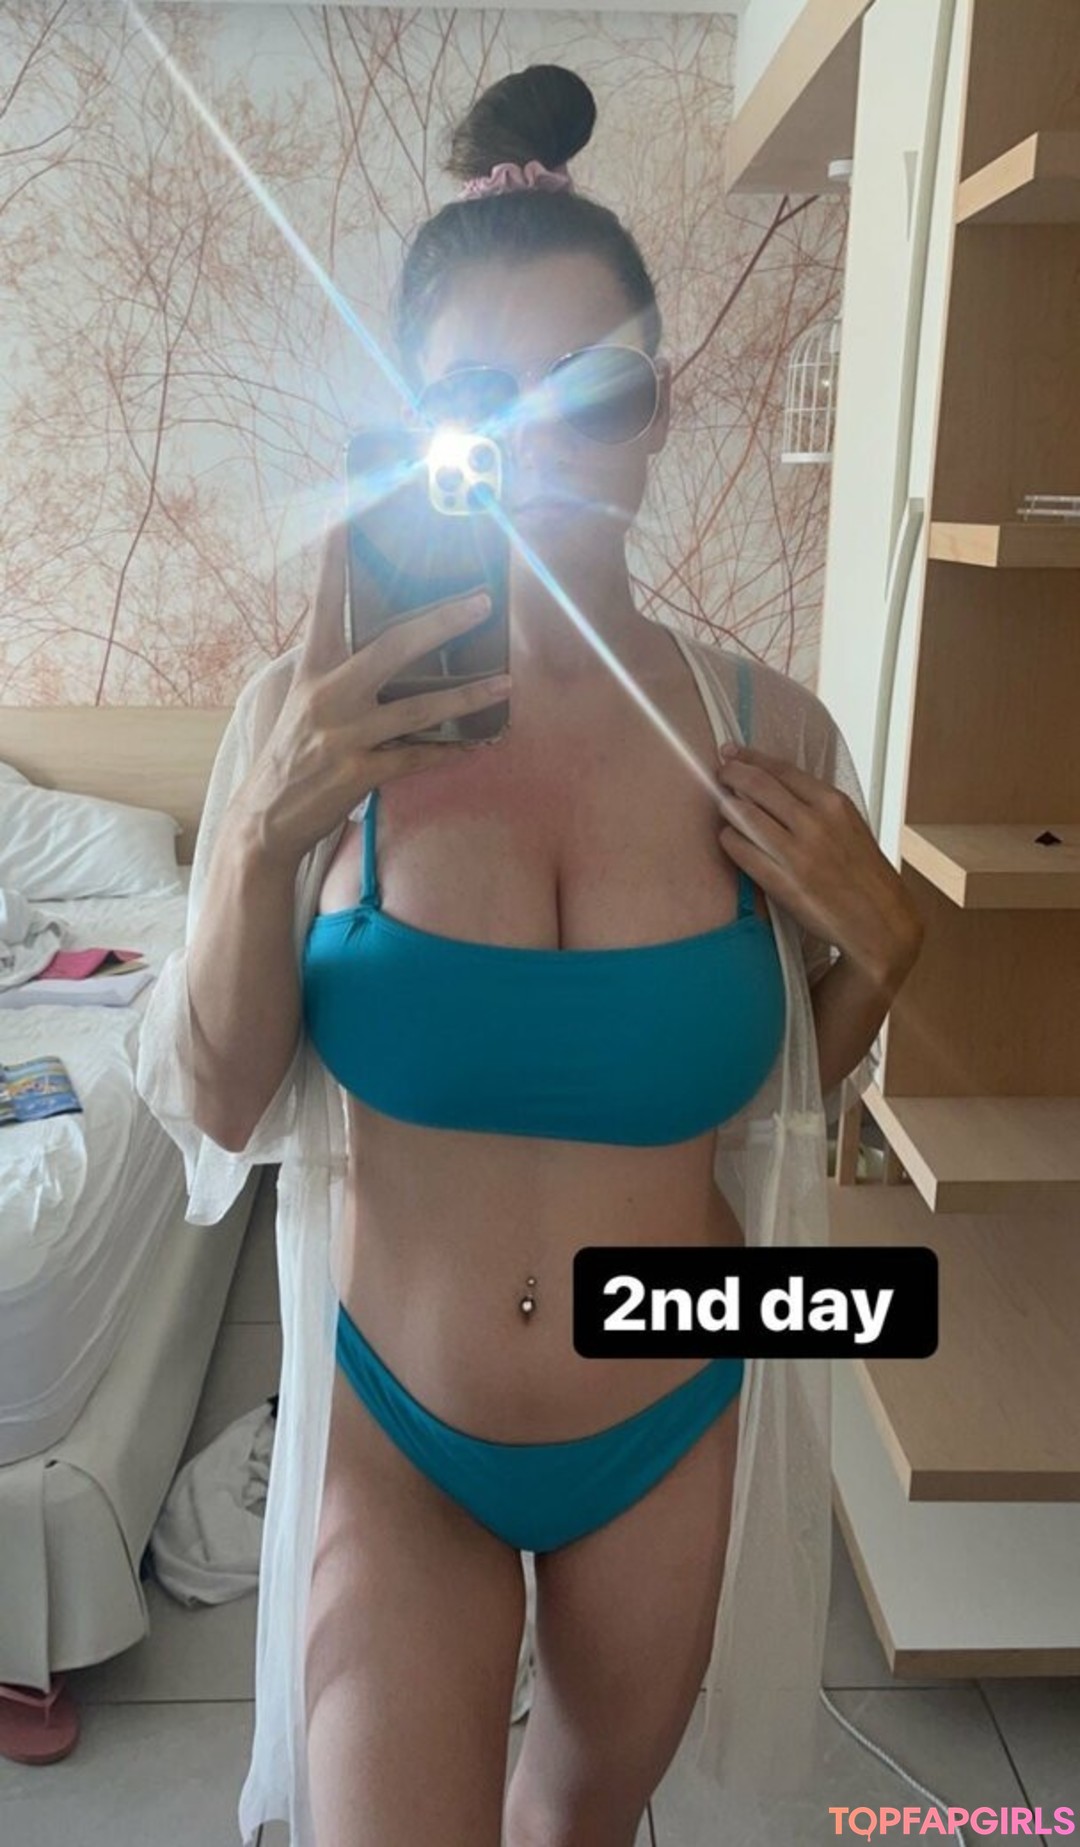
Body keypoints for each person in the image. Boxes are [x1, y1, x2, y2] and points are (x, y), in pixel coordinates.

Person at [137, 64, 920, 1847]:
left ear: (663, 408)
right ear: (417, 426)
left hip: (674, 1406)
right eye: (485, 406)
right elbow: (218, 1099)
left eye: (598, 392)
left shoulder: (767, 731)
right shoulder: (311, 723)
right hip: (404, 1425)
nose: (552, 451)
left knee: (579, 1825)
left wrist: (884, 965)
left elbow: (770, 1107)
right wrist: (259, 838)